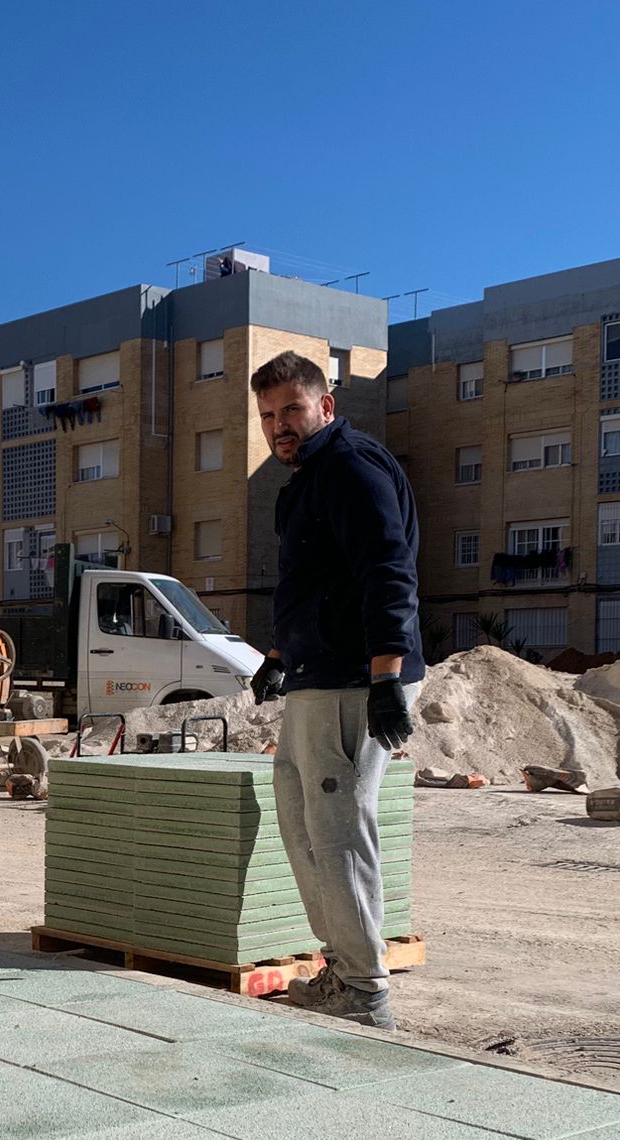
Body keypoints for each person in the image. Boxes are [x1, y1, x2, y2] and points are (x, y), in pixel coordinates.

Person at [248, 352, 424, 1029]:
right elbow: (316, 584)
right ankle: (341, 967)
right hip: (317, 678)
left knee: (339, 829)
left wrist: (385, 677)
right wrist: (276, 655)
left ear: (325, 404)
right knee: (301, 820)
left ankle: (364, 986)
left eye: (291, 409)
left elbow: (388, 572)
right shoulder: (308, 479)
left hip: (356, 680)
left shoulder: (350, 467)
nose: (279, 425)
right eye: (268, 416)